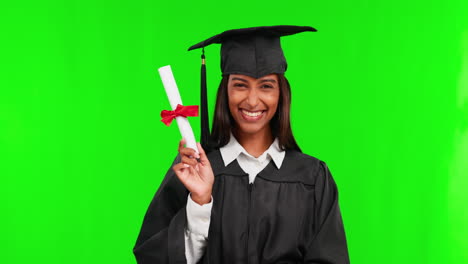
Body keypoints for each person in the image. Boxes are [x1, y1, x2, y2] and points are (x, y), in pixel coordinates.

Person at [133, 25, 350, 264]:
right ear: (225, 91)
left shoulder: (312, 177)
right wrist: (200, 202)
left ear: (282, 94)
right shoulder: (194, 169)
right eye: (240, 85)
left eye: (266, 86)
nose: (253, 100)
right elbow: (153, 258)